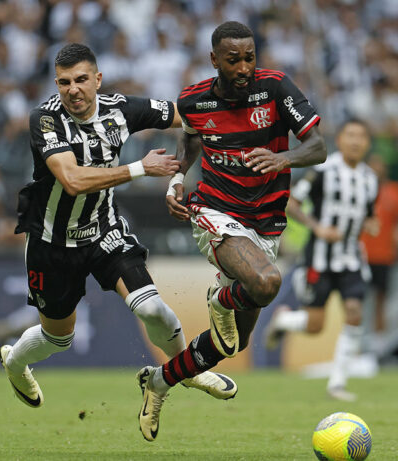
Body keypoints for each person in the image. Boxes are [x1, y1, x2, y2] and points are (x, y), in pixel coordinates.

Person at [0, 43, 237, 413]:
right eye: (63, 83)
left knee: (153, 310)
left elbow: (187, 116)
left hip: (103, 230)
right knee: (58, 339)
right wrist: (142, 168)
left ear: (98, 79)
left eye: (80, 80)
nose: (72, 89)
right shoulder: (45, 120)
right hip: (52, 242)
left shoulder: (121, 109)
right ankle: (14, 362)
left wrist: (233, 113)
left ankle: (186, 370)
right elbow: (72, 180)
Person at [135, 21, 327, 441]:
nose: (243, 67)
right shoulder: (194, 99)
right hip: (216, 210)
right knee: (266, 281)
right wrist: (177, 180)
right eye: (233, 59)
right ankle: (221, 299)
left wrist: (283, 160)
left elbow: (318, 147)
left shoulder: (276, 88)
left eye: (250, 57)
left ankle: (160, 381)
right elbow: (191, 140)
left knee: (231, 345)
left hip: (266, 224)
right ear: (214, 60)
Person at [263, 119, 380, 402]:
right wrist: (318, 228)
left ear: (367, 143)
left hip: (351, 259)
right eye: (350, 135)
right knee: (316, 326)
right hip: (318, 259)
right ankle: (284, 321)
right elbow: (291, 203)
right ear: (339, 140)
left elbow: (368, 212)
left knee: (354, 312)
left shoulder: (370, 178)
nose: (355, 141)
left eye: (361, 136)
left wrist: (370, 223)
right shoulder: (323, 171)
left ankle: (337, 383)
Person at [360, 154, 398, 352]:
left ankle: (378, 344)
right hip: (360, 254)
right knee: (356, 300)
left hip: (384, 256)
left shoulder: (395, 191)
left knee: (381, 300)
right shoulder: (358, 188)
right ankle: (355, 343)